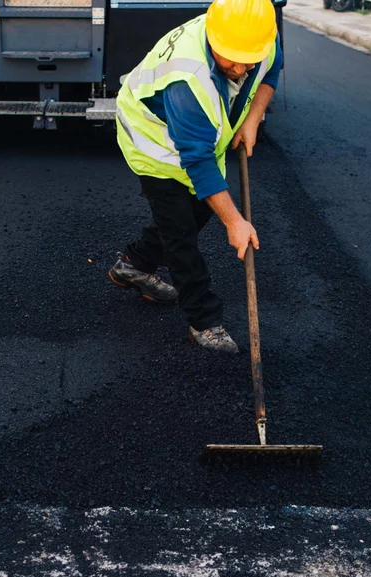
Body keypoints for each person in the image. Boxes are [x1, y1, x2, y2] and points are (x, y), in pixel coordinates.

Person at [108, 0, 282, 353]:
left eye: (247, 57)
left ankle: (134, 265)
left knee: (199, 211)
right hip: (153, 141)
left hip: (200, 142)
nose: (240, 66)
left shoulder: (256, 39)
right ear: (214, 38)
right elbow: (198, 163)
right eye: (230, 57)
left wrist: (252, 118)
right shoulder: (187, 80)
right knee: (180, 232)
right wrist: (235, 223)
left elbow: (272, 69)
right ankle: (204, 322)